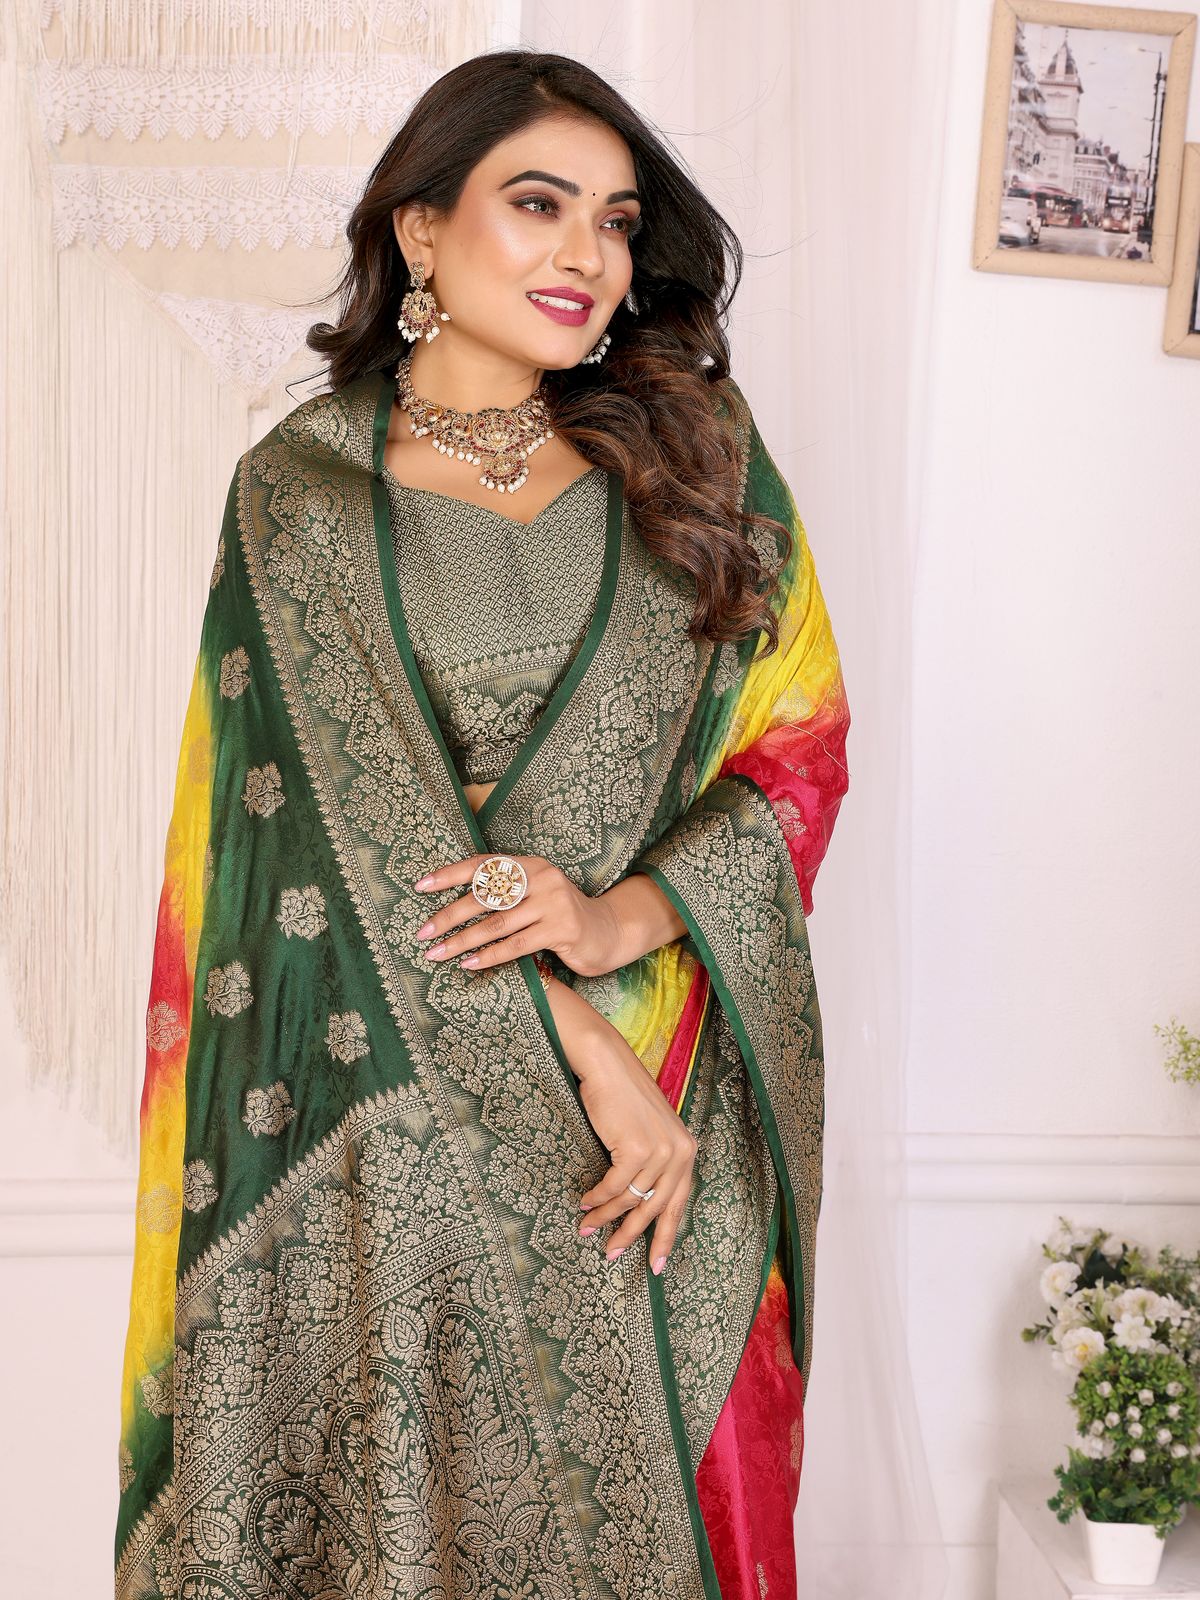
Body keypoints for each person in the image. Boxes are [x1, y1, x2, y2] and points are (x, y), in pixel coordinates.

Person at [113, 49, 850, 1600]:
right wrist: (578, 1053)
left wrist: (612, 923)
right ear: (420, 231)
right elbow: (329, 843)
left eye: (616, 218)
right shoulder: (304, 494)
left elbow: (796, 749)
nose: (588, 254)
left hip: (671, 1133)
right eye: (538, 205)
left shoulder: (698, 461)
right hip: (402, 1137)